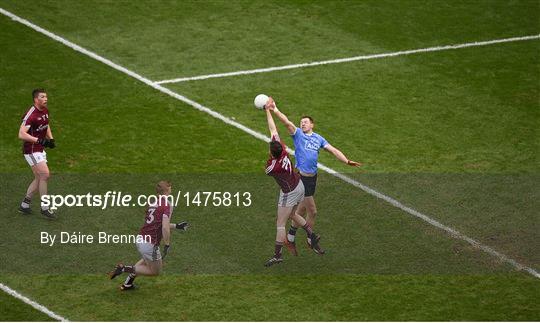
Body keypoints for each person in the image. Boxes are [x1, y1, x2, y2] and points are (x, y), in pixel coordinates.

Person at [268, 98, 361, 254]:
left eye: (305, 122)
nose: (303, 123)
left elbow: (333, 150)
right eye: (301, 122)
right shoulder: (298, 135)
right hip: (301, 179)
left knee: (301, 211)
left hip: (312, 178)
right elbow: (287, 123)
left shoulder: (319, 138)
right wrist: (275, 110)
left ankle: (290, 237)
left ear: (312, 125)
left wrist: (346, 161)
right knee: (313, 211)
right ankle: (311, 239)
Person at [263, 98, 322, 267]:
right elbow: (273, 128)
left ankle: (277, 254)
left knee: (280, 223)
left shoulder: (272, 167)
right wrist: (268, 110)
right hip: (300, 185)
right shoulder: (282, 150)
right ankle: (311, 234)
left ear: (271, 152)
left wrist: (266, 109)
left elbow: (269, 170)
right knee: (294, 214)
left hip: (288, 192)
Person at [108, 181, 189, 290]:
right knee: (155, 271)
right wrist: (167, 244)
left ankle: (128, 283)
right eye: (170, 187)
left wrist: (177, 226)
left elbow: (158, 224)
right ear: (167, 190)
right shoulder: (167, 205)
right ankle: (123, 269)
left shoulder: (153, 202)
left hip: (141, 239)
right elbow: (164, 227)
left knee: (146, 259)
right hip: (150, 244)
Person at [18, 89, 56, 218]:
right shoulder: (31, 115)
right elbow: (21, 134)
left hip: (39, 149)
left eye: (46, 96)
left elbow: (46, 124)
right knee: (45, 175)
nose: (46, 99)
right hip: (31, 150)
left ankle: (25, 205)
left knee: (39, 177)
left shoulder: (45, 110)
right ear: (36, 99)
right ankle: (44, 207)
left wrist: (51, 138)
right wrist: (39, 140)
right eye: (42, 97)